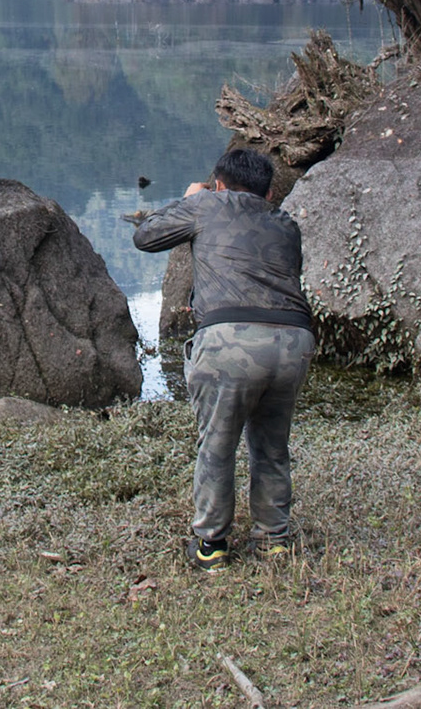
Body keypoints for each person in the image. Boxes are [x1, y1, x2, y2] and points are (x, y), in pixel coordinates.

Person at [132, 147, 313, 568]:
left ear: (218, 185)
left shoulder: (206, 205)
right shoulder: (286, 223)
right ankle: (274, 540)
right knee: (272, 445)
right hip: (294, 343)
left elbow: (145, 237)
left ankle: (211, 545)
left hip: (230, 341)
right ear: (269, 194)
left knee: (217, 445)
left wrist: (189, 200)